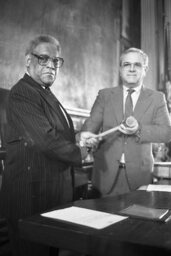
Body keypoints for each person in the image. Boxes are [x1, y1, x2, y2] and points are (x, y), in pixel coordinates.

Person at [0, 34, 88, 256]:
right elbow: (45, 140)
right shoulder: (23, 92)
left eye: (56, 61)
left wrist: (79, 137)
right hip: (29, 198)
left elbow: (58, 133)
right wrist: (80, 152)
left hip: (49, 195)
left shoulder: (45, 93)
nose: (51, 65)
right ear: (28, 61)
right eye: (43, 58)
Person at [80, 47, 171, 198]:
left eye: (137, 65)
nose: (132, 69)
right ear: (120, 69)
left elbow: (167, 133)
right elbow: (89, 128)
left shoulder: (157, 98)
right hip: (104, 175)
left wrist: (139, 129)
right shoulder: (105, 95)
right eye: (127, 64)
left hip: (139, 177)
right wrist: (86, 137)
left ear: (145, 69)